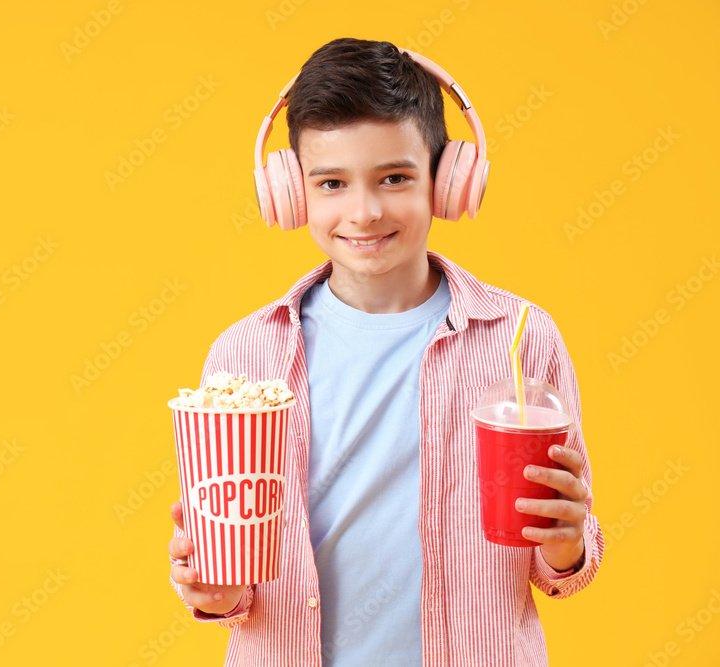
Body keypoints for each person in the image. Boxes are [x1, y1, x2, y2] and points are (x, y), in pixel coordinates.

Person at [166, 37, 603, 666]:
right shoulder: (246, 356)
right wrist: (216, 591)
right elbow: (234, 593)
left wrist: (566, 544)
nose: (365, 212)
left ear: (447, 180)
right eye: (332, 183)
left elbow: (564, 567)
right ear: (292, 192)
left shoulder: (518, 337)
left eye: (394, 178)